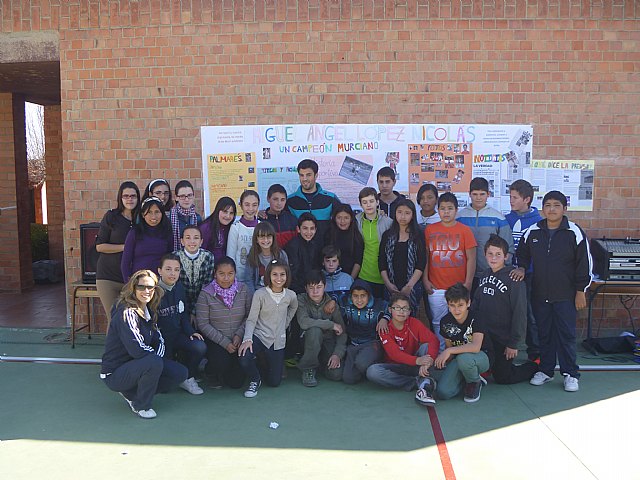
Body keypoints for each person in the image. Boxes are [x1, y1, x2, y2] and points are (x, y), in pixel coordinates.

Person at [514, 191, 593, 393]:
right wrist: (522, 268)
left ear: (564, 209)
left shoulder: (574, 232)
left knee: (566, 335)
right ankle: (546, 371)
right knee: (544, 335)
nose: (552, 209)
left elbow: (585, 264)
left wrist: (580, 291)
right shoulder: (533, 231)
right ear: (542, 209)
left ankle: (570, 374)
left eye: (556, 205)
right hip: (540, 294)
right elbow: (521, 255)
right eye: (547, 205)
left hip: (566, 296)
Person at [100, 270, 188, 419]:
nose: (146, 291)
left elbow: (159, 339)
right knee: (153, 363)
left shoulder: (149, 309)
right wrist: (154, 361)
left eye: (151, 287)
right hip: (115, 372)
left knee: (180, 373)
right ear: (133, 288)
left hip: (138, 364)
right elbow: (136, 349)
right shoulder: (126, 312)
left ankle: (132, 393)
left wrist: (155, 359)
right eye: (141, 287)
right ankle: (141, 404)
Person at [472, 235, 539, 385]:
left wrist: (513, 343)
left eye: (498, 254)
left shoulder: (513, 279)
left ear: (506, 256)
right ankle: (488, 366)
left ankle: (535, 366)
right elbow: (476, 304)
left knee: (503, 377)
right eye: (490, 254)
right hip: (485, 337)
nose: (493, 258)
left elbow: (520, 313)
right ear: (484, 255)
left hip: (503, 339)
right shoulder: (484, 275)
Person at [423, 192, 477, 349]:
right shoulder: (430, 230)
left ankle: (458, 351)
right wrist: (425, 280)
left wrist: (468, 283)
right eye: (442, 208)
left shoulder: (465, 230)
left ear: (456, 210)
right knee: (438, 321)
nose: (446, 212)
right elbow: (425, 257)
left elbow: (471, 258)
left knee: (460, 319)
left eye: (450, 208)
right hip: (436, 286)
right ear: (437, 210)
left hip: (459, 286)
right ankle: (441, 351)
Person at [366, 293, 440, 407]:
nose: (401, 312)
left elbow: (434, 340)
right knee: (373, 372)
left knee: (426, 347)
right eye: (397, 308)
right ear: (390, 310)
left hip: (414, 365)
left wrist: (428, 361)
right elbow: (394, 354)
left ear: (409, 311)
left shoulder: (414, 323)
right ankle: (417, 382)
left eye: (405, 308)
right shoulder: (384, 328)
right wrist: (418, 361)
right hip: (395, 367)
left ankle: (424, 377)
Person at [238, 261, 299, 398]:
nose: (279, 278)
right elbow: (252, 319)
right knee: (244, 357)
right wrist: (247, 339)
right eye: (274, 274)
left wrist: (285, 322)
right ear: (268, 276)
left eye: (282, 274)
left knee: (274, 382)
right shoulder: (260, 294)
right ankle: (255, 378)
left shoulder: (291, 295)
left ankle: (262, 362)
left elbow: (293, 307)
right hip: (259, 335)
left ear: (287, 276)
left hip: (277, 340)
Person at [196, 256, 251, 389]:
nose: (226, 278)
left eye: (230, 274)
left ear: (235, 274)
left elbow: (250, 316)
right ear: (215, 274)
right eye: (221, 274)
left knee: (236, 383)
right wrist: (224, 343)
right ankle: (210, 372)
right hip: (217, 341)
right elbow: (203, 323)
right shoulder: (205, 294)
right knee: (220, 363)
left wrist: (239, 334)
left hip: (239, 339)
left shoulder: (243, 290)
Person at [156, 254, 206, 395]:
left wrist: (190, 332)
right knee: (165, 388)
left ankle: (188, 378)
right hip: (161, 340)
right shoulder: (152, 292)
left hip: (177, 335)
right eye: (168, 269)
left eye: (177, 270)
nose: (173, 273)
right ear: (160, 270)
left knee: (199, 346)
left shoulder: (179, 288)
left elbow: (183, 314)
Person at [456, 177, 515, 296]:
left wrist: (500, 270)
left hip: (490, 274)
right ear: (469, 194)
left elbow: (508, 248)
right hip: (464, 274)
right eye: (475, 194)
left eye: (482, 194)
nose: (478, 198)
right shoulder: (459, 217)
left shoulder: (498, 217)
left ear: (488, 194)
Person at [434, 283, 491, 403]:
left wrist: (448, 351)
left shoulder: (477, 317)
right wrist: (443, 361)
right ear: (448, 305)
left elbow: (475, 347)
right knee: (443, 392)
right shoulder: (445, 321)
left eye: (460, 305)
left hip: (482, 357)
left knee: (464, 359)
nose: (456, 309)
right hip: (460, 359)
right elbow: (451, 350)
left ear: (468, 303)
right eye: (452, 305)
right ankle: (465, 379)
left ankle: (474, 382)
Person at [506, 179, 543, 360]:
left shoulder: (538, 222)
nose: (511, 201)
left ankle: (535, 354)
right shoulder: (507, 219)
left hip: (529, 276)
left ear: (527, 199)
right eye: (510, 196)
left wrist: (524, 268)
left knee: (530, 314)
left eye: (515, 197)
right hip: (507, 274)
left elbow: (539, 254)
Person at [96, 181, 140, 317]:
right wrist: (125, 247)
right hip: (108, 277)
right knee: (114, 319)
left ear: (138, 198)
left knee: (131, 320)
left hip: (131, 279)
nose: (129, 199)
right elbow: (100, 246)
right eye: (125, 196)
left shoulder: (142, 218)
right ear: (120, 198)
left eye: (133, 196)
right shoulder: (111, 217)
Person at [296, 270, 347, 386]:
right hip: (308, 340)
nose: (315, 291)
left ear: (325, 286)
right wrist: (330, 325)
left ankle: (321, 364)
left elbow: (342, 332)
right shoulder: (301, 299)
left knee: (336, 375)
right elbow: (304, 322)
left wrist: (337, 355)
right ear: (306, 288)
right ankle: (308, 368)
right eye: (311, 287)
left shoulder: (332, 303)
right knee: (314, 330)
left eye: (319, 287)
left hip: (328, 341)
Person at [379, 199, 426, 316]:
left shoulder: (418, 234)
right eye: (399, 212)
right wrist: (388, 284)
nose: (403, 216)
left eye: (407, 213)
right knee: (391, 318)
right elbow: (382, 261)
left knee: (410, 319)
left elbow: (421, 263)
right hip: (391, 285)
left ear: (413, 215)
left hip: (413, 286)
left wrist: (409, 286)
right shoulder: (387, 235)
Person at [339, 280, 387, 384]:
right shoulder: (345, 303)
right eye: (355, 296)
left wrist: (385, 318)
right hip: (353, 345)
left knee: (361, 363)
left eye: (363, 296)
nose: (359, 300)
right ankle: (361, 367)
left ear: (369, 296)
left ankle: (373, 365)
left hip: (372, 343)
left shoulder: (378, 305)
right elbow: (336, 298)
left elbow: (392, 306)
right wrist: (332, 301)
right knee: (348, 379)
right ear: (351, 296)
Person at [121, 197, 173, 282]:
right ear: (142, 214)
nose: (153, 216)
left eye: (157, 212)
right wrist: (128, 284)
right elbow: (125, 262)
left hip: (160, 282)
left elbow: (170, 258)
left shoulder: (167, 232)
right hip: (139, 282)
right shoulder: (135, 232)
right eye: (149, 212)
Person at [287, 158, 340, 236]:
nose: (304, 179)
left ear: (316, 175)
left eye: (308, 175)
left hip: (325, 246)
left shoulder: (330, 198)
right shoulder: (289, 201)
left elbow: (345, 217)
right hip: (299, 247)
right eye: (301, 175)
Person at [355, 187, 393, 299]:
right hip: (363, 275)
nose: (368, 205)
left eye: (371, 201)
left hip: (383, 276)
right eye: (365, 202)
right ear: (361, 205)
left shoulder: (388, 222)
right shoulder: (356, 222)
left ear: (377, 202)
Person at [173, 225, 215, 317]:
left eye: (196, 238)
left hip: (201, 304)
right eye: (188, 238)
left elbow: (207, 285)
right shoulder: (175, 257)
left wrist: (195, 311)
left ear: (201, 242)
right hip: (179, 304)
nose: (192, 241)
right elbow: (174, 286)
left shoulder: (208, 257)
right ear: (182, 241)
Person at [227, 190, 261, 285]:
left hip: (258, 278)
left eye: (254, 205)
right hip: (239, 279)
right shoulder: (235, 227)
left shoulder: (261, 226)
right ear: (241, 205)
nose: (250, 209)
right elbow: (230, 255)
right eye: (247, 204)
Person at [284, 212, 323, 294]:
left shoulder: (317, 244)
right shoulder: (292, 247)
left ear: (315, 230)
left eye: (312, 228)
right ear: (298, 229)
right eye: (305, 228)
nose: (309, 232)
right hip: (296, 290)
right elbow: (292, 274)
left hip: (313, 289)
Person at [324, 203, 364, 279]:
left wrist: (350, 279)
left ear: (351, 218)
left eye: (346, 218)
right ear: (334, 218)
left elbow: (358, 261)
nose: (342, 221)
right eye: (339, 218)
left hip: (351, 275)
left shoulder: (356, 236)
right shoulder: (329, 234)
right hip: (331, 276)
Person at [247, 222, 289, 293]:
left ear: (273, 238)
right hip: (259, 292)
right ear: (256, 239)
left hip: (277, 291)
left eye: (268, 237)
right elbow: (248, 279)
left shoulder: (281, 255)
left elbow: (287, 276)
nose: (265, 240)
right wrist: (254, 296)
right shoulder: (252, 255)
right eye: (262, 237)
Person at [200, 196, 237, 262]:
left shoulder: (232, 228)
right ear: (218, 210)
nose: (228, 216)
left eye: (231, 213)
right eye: (225, 212)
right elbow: (201, 252)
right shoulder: (206, 227)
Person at [169, 180, 202, 252]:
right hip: (173, 257)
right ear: (176, 197)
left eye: (189, 195)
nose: (186, 199)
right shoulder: (169, 217)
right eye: (182, 196)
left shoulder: (198, 218)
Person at [263, 184, 297, 248]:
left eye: (282, 200)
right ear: (268, 199)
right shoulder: (262, 221)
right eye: (275, 199)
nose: (279, 203)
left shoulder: (292, 220)